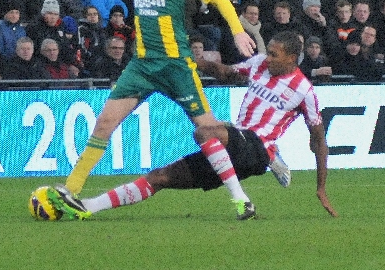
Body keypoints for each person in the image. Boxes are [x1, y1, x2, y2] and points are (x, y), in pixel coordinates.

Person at [58, 0, 258, 219]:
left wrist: (238, 31)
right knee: (103, 124)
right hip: (141, 66)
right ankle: (70, 190)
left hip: (176, 67)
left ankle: (240, 198)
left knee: (209, 130)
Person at [49, 31, 337, 220]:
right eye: (269, 52)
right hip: (230, 151)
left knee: (204, 131)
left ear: (291, 58)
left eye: (275, 54)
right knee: (160, 177)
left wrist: (321, 187)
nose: (268, 57)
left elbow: (318, 140)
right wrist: (193, 63)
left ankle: (243, 199)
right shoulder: (260, 64)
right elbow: (226, 72)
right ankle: (86, 208)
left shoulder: (305, 91)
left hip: (257, 148)